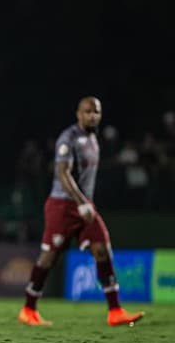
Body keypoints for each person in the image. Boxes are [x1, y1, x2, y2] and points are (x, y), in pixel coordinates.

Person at [18, 97, 144, 327]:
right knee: (49, 257)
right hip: (63, 206)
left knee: (102, 249)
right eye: (88, 111)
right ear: (78, 114)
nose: (92, 115)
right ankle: (28, 308)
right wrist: (81, 202)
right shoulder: (69, 138)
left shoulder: (93, 139)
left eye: (96, 111)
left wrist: (85, 204)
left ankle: (115, 311)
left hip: (85, 206)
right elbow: (63, 174)